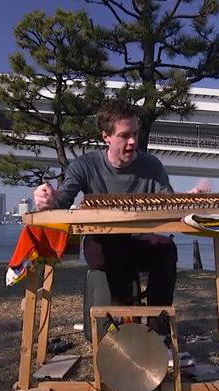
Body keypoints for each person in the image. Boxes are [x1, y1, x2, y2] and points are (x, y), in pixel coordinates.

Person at [34, 99, 186, 322]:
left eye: (136, 132)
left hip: (138, 242)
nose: (133, 141)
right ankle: (120, 324)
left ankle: (157, 327)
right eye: (124, 135)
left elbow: (168, 202)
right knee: (112, 247)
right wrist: (46, 201)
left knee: (166, 248)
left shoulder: (152, 166)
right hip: (101, 242)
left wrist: (185, 200)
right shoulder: (84, 166)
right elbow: (62, 202)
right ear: (106, 136)